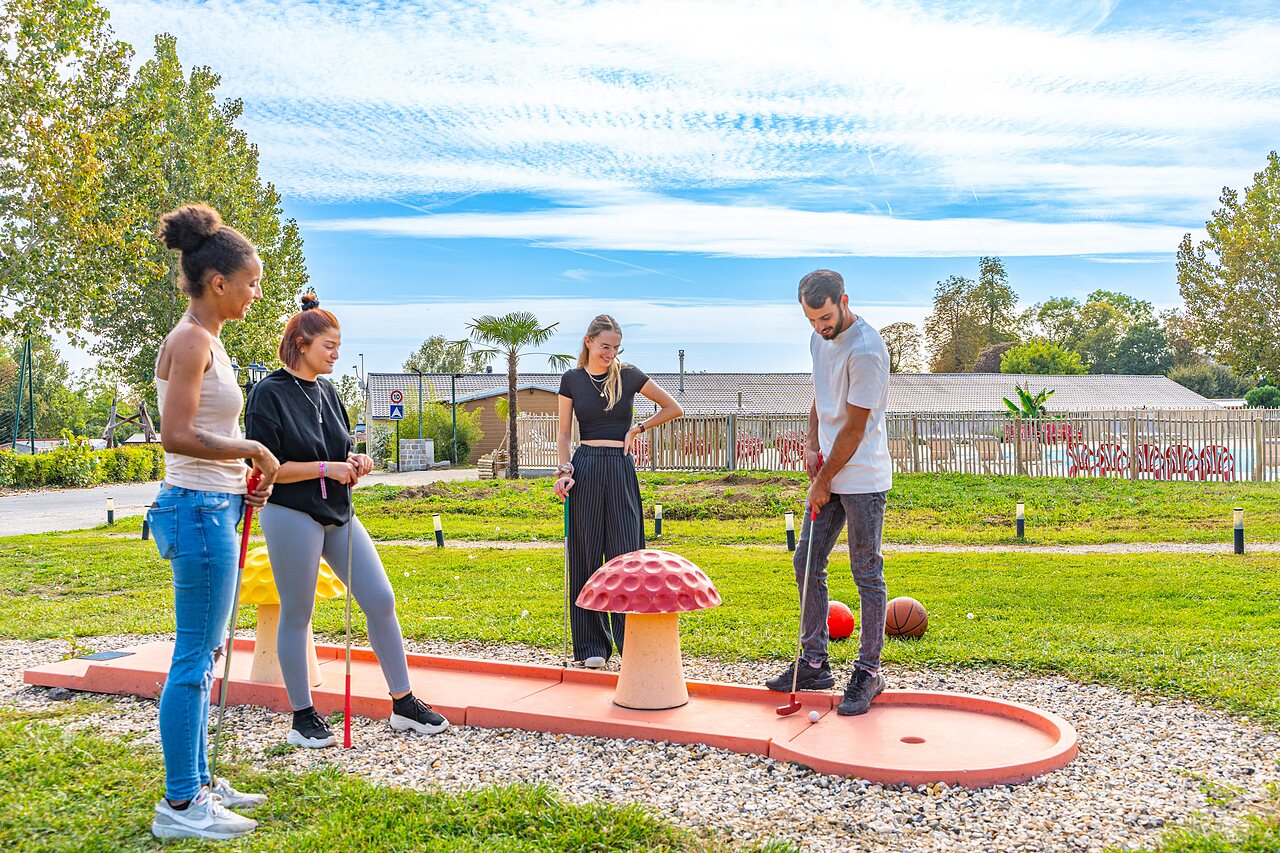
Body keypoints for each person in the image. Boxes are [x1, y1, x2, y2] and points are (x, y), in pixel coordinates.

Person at [244, 293, 448, 748]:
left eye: (339, 346)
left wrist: (356, 462)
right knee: (298, 613)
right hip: (291, 511)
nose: (336, 354)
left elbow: (340, 451)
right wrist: (325, 469)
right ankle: (303, 717)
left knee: (380, 599)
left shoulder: (328, 392)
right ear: (301, 343)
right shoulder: (267, 393)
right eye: (329, 346)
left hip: (339, 510)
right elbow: (265, 467)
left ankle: (403, 704)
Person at [147, 203, 279, 840]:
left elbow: (205, 433)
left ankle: (198, 779)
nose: (257, 293)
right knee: (194, 656)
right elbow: (175, 435)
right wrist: (251, 449)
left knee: (206, 652)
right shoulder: (192, 339)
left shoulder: (209, 339)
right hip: (196, 508)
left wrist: (240, 480)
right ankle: (179, 805)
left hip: (214, 504)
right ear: (219, 282)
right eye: (251, 283)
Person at [764, 270, 892, 716]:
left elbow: (855, 428)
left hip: (863, 479)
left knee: (866, 573)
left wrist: (822, 483)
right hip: (830, 470)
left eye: (825, 317)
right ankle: (815, 663)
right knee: (806, 560)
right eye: (811, 319)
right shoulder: (819, 340)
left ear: (844, 301)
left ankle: (869, 672)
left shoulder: (867, 350)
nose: (820, 326)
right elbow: (821, 397)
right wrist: (810, 443)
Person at [554, 314, 683, 667]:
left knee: (626, 555)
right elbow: (564, 434)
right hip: (585, 466)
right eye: (604, 346)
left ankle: (631, 643)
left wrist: (638, 429)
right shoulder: (572, 380)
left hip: (620, 467)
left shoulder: (629, 375)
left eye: (616, 347)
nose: (610, 353)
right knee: (585, 555)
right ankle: (591, 647)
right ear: (588, 342)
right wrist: (564, 470)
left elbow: (674, 407)